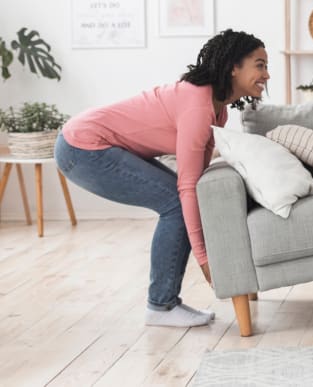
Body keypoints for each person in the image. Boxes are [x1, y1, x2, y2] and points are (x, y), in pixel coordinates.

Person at [54, 29, 269, 328]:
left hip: (95, 144)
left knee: (178, 201)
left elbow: (199, 180)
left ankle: (164, 303)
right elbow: (188, 187)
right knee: (175, 203)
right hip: (82, 147)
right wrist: (205, 258)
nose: (266, 75)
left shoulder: (217, 111)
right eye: (259, 65)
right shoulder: (198, 105)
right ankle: (162, 305)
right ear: (234, 66)